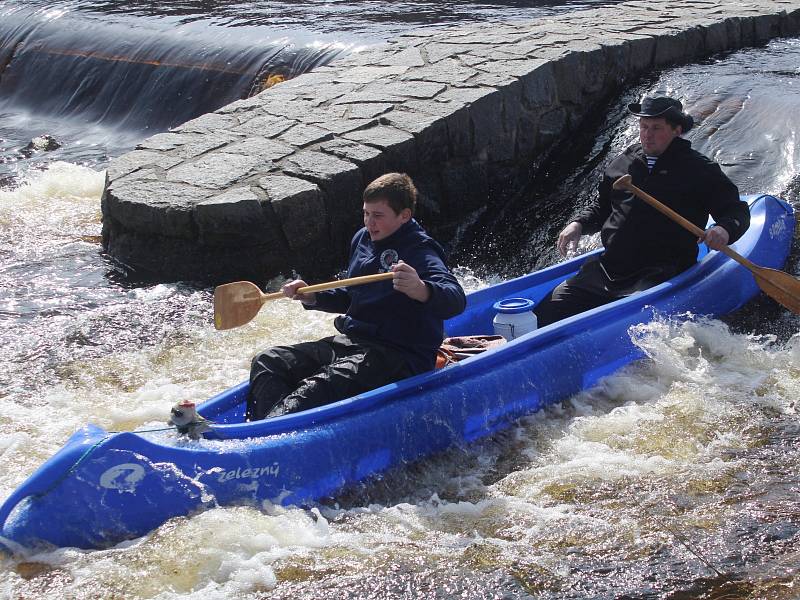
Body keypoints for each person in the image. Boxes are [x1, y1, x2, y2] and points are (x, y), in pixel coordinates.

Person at [246, 172, 467, 421]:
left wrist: (421, 289)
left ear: (404, 215)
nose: (370, 223)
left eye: (378, 216)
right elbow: (354, 296)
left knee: (316, 388)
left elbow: (456, 298)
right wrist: (312, 296)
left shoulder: (420, 250)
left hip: (400, 355)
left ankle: (269, 435)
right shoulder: (362, 238)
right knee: (269, 361)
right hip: (354, 342)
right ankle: (266, 433)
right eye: (366, 213)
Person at [534, 95, 750, 327]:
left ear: (676, 130)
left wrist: (724, 230)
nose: (647, 134)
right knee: (547, 311)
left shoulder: (699, 169)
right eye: (644, 126)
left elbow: (736, 211)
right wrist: (579, 224)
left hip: (659, 273)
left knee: (625, 321)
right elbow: (602, 207)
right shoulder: (624, 162)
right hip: (609, 269)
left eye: (656, 128)